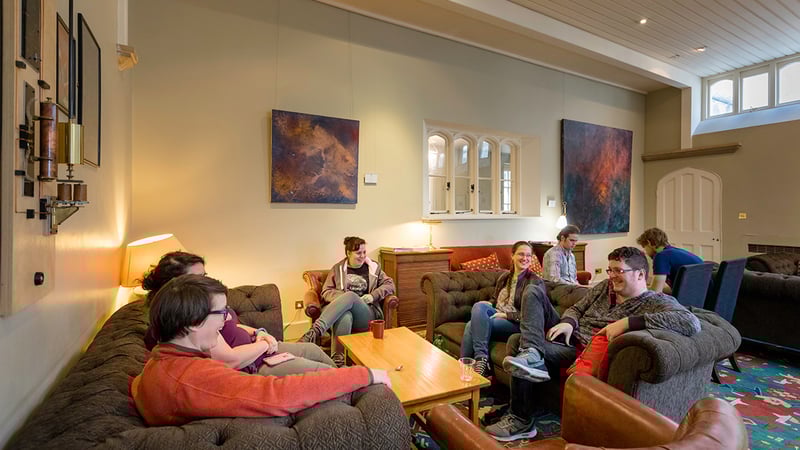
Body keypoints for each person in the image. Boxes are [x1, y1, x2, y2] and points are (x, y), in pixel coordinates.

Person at [485, 246, 701, 441]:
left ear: (641, 274)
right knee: (533, 291)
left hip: (580, 351)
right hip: (567, 335)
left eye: (619, 271)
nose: (612, 276)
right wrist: (569, 322)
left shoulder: (655, 301)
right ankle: (532, 354)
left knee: (515, 340)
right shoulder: (605, 288)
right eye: (610, 270)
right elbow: (577, 308)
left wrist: (628, 322)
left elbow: (691, 323)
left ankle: (521, 418)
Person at [131, 274, 391, 426]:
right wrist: (364, 375)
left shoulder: (160, 361)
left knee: (332, 329)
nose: (225, 321)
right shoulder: (192, 377)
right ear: (192, 323)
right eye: (220, 313)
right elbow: (277, 394)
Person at [142, 251, 335, 376]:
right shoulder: (192, 320)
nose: (204, 281)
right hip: (253, 365)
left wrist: (258, 332)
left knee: (313, 350)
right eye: (198, 277)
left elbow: (231, 325)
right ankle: (357, 393)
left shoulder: (205, 306)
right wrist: (264, 344)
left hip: (257, 347)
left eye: (204, 276)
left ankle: (357, 389)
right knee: (323, 372)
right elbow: (230, 360)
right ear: (177, 284)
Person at [298, 236, 395, 367]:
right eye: (358, 253)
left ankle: (314, 332)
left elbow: (390, 285)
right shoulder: (337, 269)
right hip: (340, 312)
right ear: (348, 253)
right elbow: (326, 292)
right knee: (345, 314)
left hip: (364, 313)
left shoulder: (373, 267)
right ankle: (338, 361)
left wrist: (373, 296)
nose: (362, 256)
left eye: (364, 252)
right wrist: (345, 299)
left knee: (350, 297)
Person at [461, 241, 541, 378]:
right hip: (497, 313)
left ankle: (476, 362)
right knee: (479, 306)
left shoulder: (534, 282)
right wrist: (487, 305)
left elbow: (533, 315)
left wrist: (507, 315)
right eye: (521, 254)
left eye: (528, 255)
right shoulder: (505, 277)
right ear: (513, 256)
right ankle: (477, 368)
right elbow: (494, 300)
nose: (525, 258)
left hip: (515, 322)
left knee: (470, 326)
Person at [636, 227, 703, 293]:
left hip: (689, 297)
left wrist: (637, 290)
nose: (646, 252)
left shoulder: (661, 256)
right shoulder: (675, 252)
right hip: (702, 296)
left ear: (649, 243)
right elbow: (673, 290)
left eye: (645, 247)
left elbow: (655, 292)